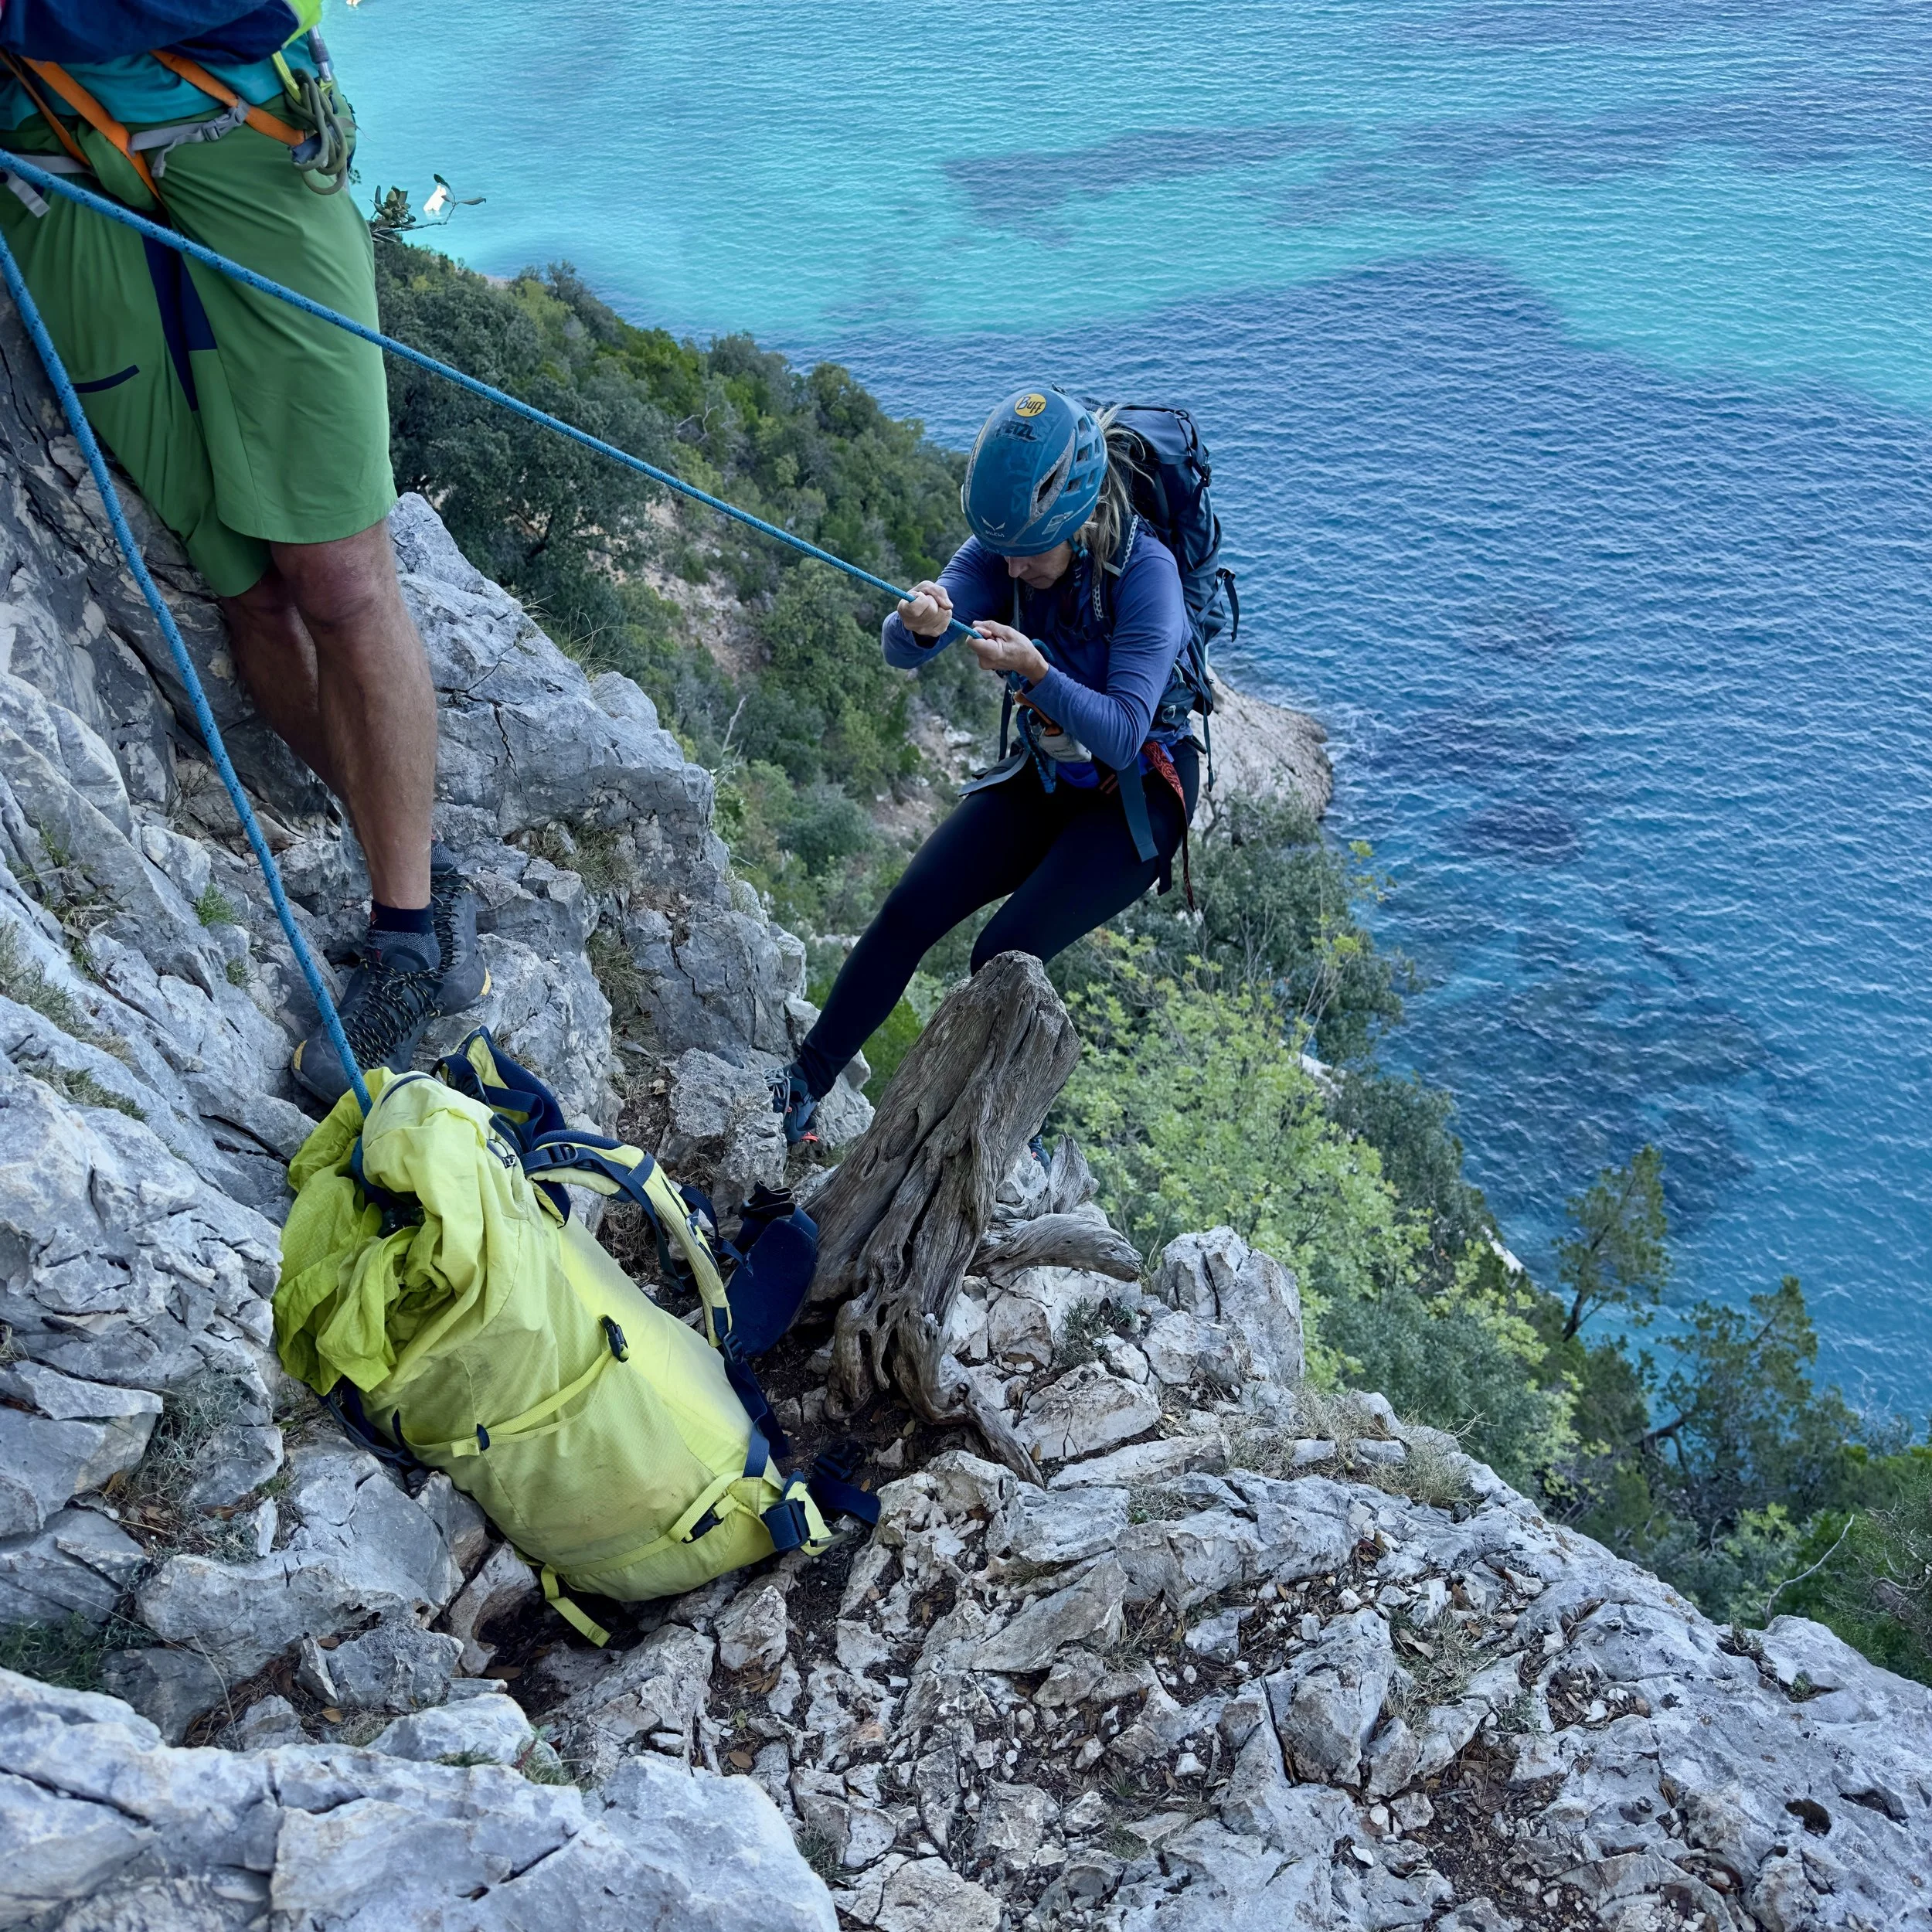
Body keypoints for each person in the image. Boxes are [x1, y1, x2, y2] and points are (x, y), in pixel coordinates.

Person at [0, 1, 485, 1106]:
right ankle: (412, 865)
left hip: (236, 126)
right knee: (246, 585)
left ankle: (412, 936)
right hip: (43, 164)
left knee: (342, 578)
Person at [771, 386, 1199, 1144]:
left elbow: (1125, 732)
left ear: (1074, 520)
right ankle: (804, 1084)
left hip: (1134, 796)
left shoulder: (1145, 575)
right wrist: (918, 619)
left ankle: (1005, 1145)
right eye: (1000, 550)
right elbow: (901, 648)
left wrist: (1035, 671)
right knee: (910, 910)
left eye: (1027, 553)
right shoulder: (1005, 549)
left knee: (1001, 953)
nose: (1009, 564)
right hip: (1049, 767)